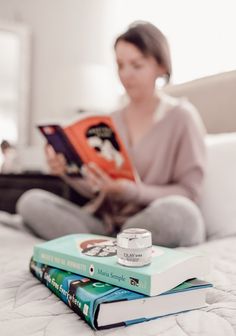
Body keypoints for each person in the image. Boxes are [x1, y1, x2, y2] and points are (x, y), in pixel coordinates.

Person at [17, 21, 206, 247]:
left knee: (183, 212)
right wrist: (68, 171)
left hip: (152, 223)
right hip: (105, 225)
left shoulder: (181, 117)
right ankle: (117, 247)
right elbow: (96, 187)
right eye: (120, 65)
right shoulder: (111, 120)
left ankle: (110, 245)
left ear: (161, 66)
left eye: (136, 65)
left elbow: (188, 193)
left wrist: (133, 192)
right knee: (30, 201)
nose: (126, 75)